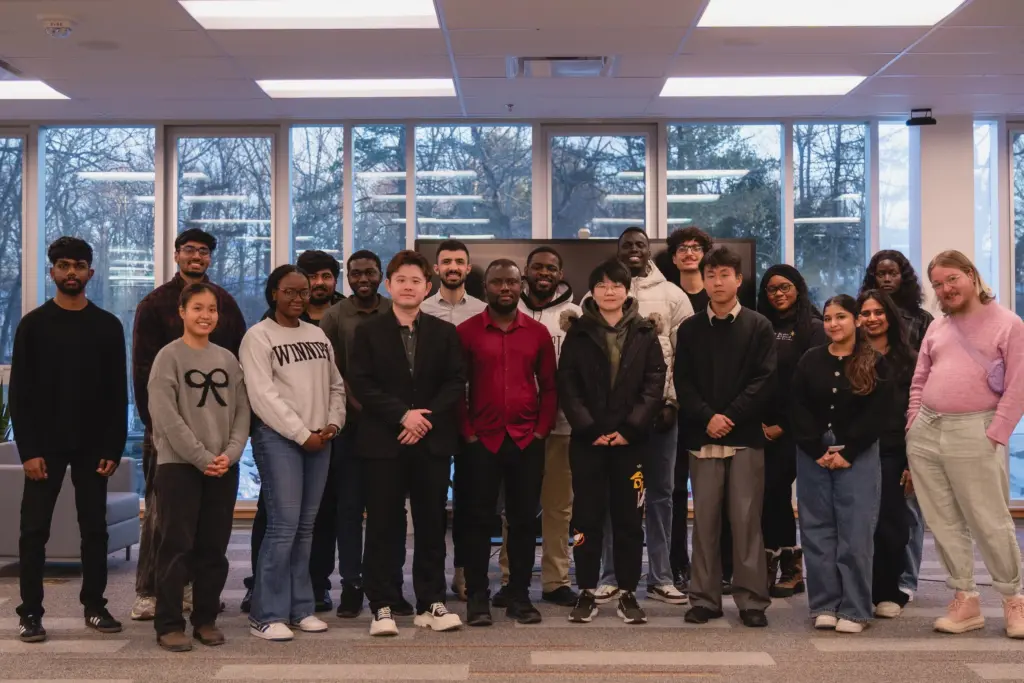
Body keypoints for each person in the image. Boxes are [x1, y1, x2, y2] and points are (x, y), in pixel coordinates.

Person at [11, 236, 127, 642]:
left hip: (94, 447)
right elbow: (19, 395)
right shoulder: (33, 325)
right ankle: (30, 614)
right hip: (44, 446)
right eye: (63, 265)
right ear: (52, 272)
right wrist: (28, 451)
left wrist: (114, 448)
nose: (71, 272)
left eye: (78, 265)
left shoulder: (108, 326)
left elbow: (118, 393)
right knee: (33, 532)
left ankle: (95, 607)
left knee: (95, 529)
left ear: (90, 273)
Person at [906, 250, 1024, 639]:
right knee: (943, 522)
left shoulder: (1008, 324)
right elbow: (920, 379)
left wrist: (996, 433)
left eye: (951, 279)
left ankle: (1013, 599)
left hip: (975, 429)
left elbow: (1018, 386)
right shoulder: (937, 327)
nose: (945, 289)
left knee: (990, 520)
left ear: (971, 275)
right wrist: (912, 425)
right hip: (927, 433)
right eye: (937, 284)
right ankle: (965, 599)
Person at [130, 228, 246, 622]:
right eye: (189, 250)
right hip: (166, 436)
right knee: (165, 521)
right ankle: (151, 591)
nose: (197, 256)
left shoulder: (225, 303)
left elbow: (237, 368)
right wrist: (159, 432)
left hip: (217, 434)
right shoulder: (154, 304)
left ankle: (197, 592)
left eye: (204, 251)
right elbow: (143, 373)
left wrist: (227, 448)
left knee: (209, 528)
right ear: (177, 254)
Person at [349, 250, 467, 637]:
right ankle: (381, 604)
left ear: (427, 287)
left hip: (430, 442)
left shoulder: (444, 332)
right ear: (389, 284)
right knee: (384, 524)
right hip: (384, 441)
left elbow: (455, 382)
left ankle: (430, 601)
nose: (408, 286)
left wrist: (423, 419)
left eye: (416, 281)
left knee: (433, 523)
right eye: (401, 280)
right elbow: (362, 383)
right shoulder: (367, 331)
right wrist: (403, 415)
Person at [241, 265, 346, 641]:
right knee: (283, 528)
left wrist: (333, 425)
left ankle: (301, 608)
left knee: (306, 529)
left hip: (320, 439)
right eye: (290, 291)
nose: (298, 298)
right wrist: (302, 434)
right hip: (280, 440)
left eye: (303, 292)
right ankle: (265, 614)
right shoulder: (258, 337)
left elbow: (336, 385)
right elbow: (262, 395)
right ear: (274, 293)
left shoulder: (317, 334)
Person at [559, 258, 667, 624]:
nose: (609, 291)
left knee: (629, 520)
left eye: (616, 285)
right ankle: (586, 590)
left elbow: (655, 385)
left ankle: (627, 593)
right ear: (593, 290)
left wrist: (630, 429)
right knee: (585, 519)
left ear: (627, 290)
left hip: (631, 444)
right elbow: (568, 387)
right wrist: (590, 429)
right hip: (587, 442)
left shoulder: (644, 332)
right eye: (602, 285)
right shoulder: (577, 332)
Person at [674, 246, 775, 628]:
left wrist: (729, 417)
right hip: (703, 437)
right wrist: (708, 417)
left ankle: (751, 601)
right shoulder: (690, 328)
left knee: (747, 520)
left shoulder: (758, 325)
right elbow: (682, 382)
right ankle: (704, 598)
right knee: (704, 521)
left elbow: (764, 380)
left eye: (724, 275)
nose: (717, 282)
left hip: (745, 436)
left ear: (738, 279)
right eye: (711, 275)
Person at [594, 228, 693, 608]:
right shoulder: (598, 293)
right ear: (617, 251)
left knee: (662, 497)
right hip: (614, 421)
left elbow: (685, 357)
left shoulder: (672, 294)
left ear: (649, 250)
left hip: (661, 416)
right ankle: (609, 576)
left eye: (640, 244)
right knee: (611, 497)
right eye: (626, 246)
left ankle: (661, 576)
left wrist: (673, 402)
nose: (634, 250)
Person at [149, 283, 251, 652]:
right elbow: (165, 417)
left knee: (213, 547)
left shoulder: (227, 359)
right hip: (179, 466)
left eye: (212, 309)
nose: (206, 315)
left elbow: (242, 410)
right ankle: (169, 623)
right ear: (182, 312)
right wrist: (202, 457)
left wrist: (232, 452)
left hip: (223, 467)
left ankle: (205, 619)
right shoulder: (168, 357)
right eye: (198, 308)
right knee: (176, 546)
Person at [458, 259, 557, 626]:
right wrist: (466, 432)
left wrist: (541, 432)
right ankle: (478, 599)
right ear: (485, 288)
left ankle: (519, 596)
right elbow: (457, 389)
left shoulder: (537, 333)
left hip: (525, 440)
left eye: (511, 282)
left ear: (522, 287)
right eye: (497, 282)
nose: (505, 288)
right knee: (476, 520)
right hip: (480, 441)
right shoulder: (466, 332)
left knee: (522, 522)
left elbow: (549, 388)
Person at [791, 294, 890, 634]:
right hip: (813, 453)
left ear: (857, 321)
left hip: (857, 454)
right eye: (829, 318)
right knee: (817, 531)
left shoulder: (875, 361)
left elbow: (879, 414)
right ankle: (824, 605)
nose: (833, 324)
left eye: (841, 317)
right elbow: (796, 406)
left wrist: (848, 451)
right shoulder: (810, 360)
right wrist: (814, 446)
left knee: (855, 532)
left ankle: (855, 609)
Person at [319, 250, 407, 620]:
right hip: (351, 428)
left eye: (370, 272)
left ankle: (391, 583)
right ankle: (353, 585)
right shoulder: (335, 316)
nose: (363, 278)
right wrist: (362, 407)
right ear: (347, 278)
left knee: (391, 512)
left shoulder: (395, 310)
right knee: (350, 510)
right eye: (356, 274)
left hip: (392, 427)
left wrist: (390, 412)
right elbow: (332, 371)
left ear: (381, 275)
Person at [491, 247, 580, 609]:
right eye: (538, 267)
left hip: (562, 425)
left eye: (552, 268)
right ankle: (513, 577)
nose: (545, 273)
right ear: (525, 273)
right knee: (516, 507)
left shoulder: (577, 313)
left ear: (561, 274)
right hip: (517, 428)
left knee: (559, 507)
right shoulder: (509, 308)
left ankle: (557, 579)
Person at [860, 249, 933, 603]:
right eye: (880, 273)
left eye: (893, 273)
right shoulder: (862, 324)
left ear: (903, 276)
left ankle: (906, 580)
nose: (887, 279)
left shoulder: (922, 319)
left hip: (908, 422)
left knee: (908, 513)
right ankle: (874, 579)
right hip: (873, 433)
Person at [420, 239, 486, 601]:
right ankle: (430, 578)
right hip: (433, 417)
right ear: (436, 269)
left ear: (468, 267)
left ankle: (463, 573)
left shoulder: (483, 310)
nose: (453, 267)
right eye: (446, 261)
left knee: (470, 501)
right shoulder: (421, 310)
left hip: (474, 417)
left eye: (459, 261)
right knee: (430, 504)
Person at [756, 264, 826, 598]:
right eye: (771, 289)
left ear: (797, 288)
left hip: (798, 427)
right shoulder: (758, 324)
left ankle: (793, 567)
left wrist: (783, 426)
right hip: (760, 427)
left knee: (798, 498)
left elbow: (809, 384)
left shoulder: (813, 327)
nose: (779, 294)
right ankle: (773, 561)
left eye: (785, 287)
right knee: (770, 498)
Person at [858, 289, 916, 620]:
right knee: (856, 525)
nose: (872, 318)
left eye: (879, 312)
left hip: (893, 452)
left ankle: (889, 591)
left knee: (890, 524)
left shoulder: (909, 359)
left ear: (890, 316)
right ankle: (858, 589)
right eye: (865, 313)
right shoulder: (850, 355)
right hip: (856, 450)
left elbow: (917, 411)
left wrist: (912, 462)